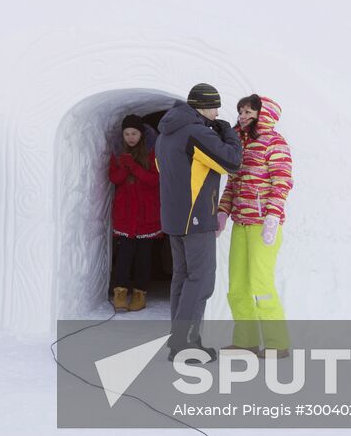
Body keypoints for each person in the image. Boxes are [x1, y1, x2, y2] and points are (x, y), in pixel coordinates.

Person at [155, 83, 243, 361]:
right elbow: (232, 161)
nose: (218, 112)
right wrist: (227, 132)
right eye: (215, 106)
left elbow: (165, 169)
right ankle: (185, 345)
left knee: (182, 279)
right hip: (196, 219)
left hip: (174, 219)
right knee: (201, 281)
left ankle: (180, 340)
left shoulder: (164, 135)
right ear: (203, 106)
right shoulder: (195, 132)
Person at [218, 95, 294, 357]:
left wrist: (273, 216)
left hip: (264, 225)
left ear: (264, 114)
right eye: (241, 111)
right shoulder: (239, 143)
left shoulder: (275, 142)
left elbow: (282, 181)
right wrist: (222, 212)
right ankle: (245, 340)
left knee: (261, 285)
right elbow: (232, 184)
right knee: (237, 285)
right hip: (241, 223)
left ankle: (277, 343)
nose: (242, 115)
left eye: (249, 111)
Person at [108, 114, 161, 312]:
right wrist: (124, 166)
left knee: (143, 255)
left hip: (146, 212)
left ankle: (140, 294)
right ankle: (120, 292)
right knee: (125, 254)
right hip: (126, 212)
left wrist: (134, 166)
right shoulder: (117, 152)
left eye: (134, 133)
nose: (130, 137)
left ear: (141, 134)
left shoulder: (152, 153)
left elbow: (154, 180)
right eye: (127, 133)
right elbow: (114, 178)